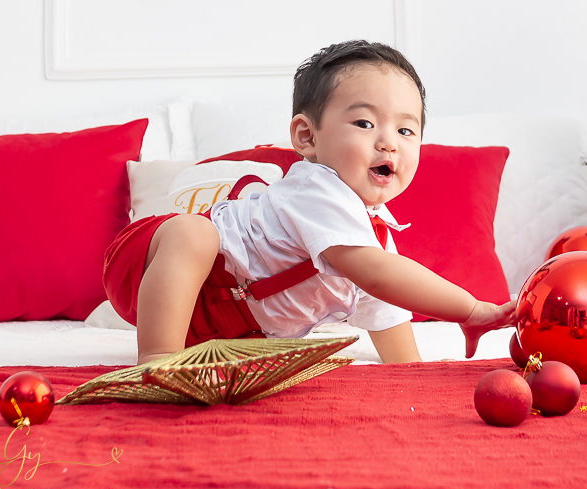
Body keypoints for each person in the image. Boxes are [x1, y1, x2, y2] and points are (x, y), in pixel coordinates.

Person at [103, 40, 515, 365]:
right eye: (365, 123)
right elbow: (377, 274)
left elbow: (390, 323)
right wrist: (470, 309)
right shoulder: (318, 188)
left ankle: (178, 355)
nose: (389, 141)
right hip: (152, 269)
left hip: (220, 328)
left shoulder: (373, 239)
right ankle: (157, 360)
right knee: (191, 231)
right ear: (307, 137)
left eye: (406, 130)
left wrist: (411, 374)